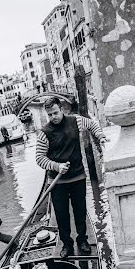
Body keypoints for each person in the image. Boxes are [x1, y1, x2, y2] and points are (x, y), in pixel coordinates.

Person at [35, 96, 106, 258]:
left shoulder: (76, 121)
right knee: (61, 214)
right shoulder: (44, 133)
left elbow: (92, 125)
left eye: (55, 113)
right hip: (57, 181)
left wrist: (100, 136)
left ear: (61, 109)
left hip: (78, 176)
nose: (53, 117)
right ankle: (67, 244)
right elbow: (39, 158)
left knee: (80, 211)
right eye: (50, 115)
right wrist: (56, 166)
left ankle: (82, 240)